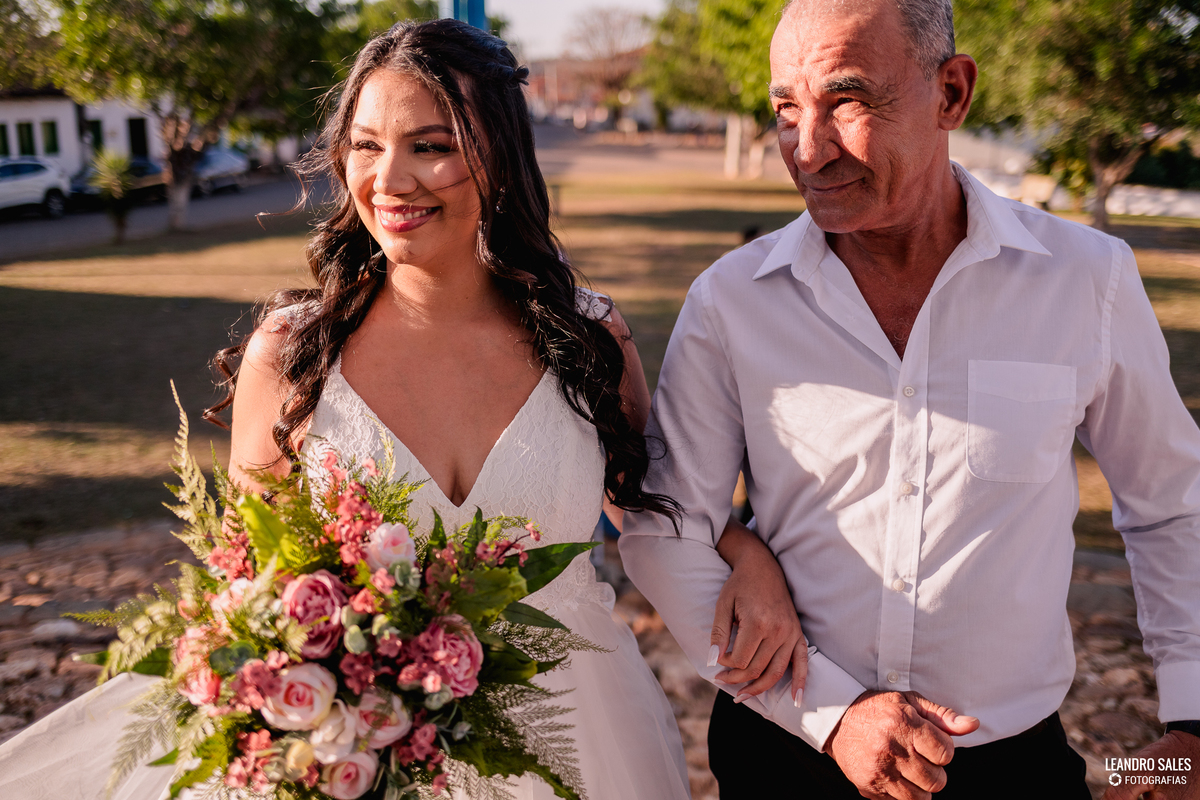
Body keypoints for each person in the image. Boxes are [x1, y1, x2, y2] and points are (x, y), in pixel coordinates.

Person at [0, 19, 801, 800]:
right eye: (366, 146)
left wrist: (751, 557)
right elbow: (248, 588)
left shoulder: (586, 337)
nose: (390, 179)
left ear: (499, 158)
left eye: (432, 145)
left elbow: (653, 506)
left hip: (584, 731)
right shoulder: (292, 356)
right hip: (364, 758)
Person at [620, 0, 1200, 799]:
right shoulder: (730, 303)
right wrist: (833, 712)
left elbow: (1172, 504)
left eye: (847, 101)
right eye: (787, 109)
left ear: (952, 94)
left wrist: (1190, 728)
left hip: (1014, 770)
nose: (808, 150)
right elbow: (664, 528)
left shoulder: (1088, 280)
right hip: (784, 757)